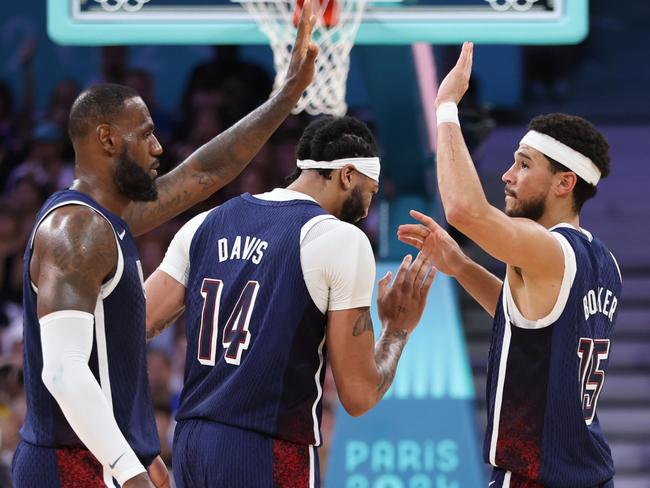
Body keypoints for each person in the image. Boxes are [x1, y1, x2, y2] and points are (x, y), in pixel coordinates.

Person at [11, 2, 319, 486]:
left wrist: (287, 97)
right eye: (146, 135)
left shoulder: (109, 218)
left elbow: (205, 171)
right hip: (72, 465)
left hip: (103, 456)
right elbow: (64, 371)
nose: (158, 148)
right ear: (108, 140)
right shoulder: (74, 232)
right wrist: (127, 469)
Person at [144, 116, 435, 487]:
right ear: (347, 175)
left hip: (191, 444)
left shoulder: (206, 223)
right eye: (370, 191)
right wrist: (397, 330)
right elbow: (359, 395)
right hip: (268, 448)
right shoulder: (341, 240)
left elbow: (130, 330)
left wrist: (136, 439)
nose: (366, 210)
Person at [398, 43, 620, 487]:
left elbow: (463, 210)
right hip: (588, 472)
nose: (506, 175)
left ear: (564, 182)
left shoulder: (549, 248)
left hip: (538, 473)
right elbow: (527, 318)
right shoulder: (601, 259)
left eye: (523, 164)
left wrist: (445, 108)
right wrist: (461, 267)